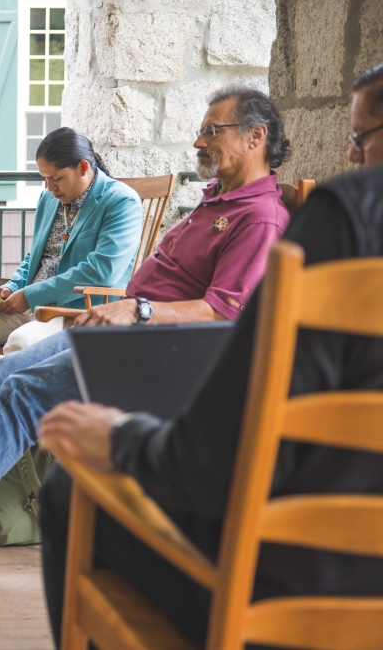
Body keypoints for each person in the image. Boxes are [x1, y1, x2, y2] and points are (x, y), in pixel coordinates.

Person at [0, 86, 292, 564]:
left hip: (160, 353)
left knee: (24, 391)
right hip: (125, 332)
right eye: (201, 130)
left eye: (212, 131)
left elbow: (227, 311)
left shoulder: (258, 217)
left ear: (255, 137)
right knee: (2, 375)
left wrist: (139, 309)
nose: (199, 141)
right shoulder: (216, 199)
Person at [37, 62, 383, 646]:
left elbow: (215, 458)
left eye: (360, 138)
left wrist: (121, 438)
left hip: (314, 583)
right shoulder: (213, 205)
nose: (351, 158)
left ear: (257, 140)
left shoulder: (349, 216)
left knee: (69, 486)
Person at [0, 127, 142, 387]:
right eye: (45, 178)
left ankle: (5, 412)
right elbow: (36, 256)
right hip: (28, 303)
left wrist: (30, 295)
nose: (50, 187)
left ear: (83, 167)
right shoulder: (48, 199)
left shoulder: (121, 201)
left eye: (57, 178)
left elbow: (102, 270)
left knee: (19, 344)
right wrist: (13, 287)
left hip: (78, 310)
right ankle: (1, 406)